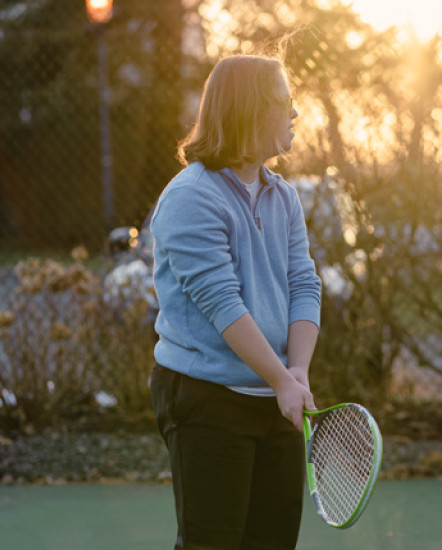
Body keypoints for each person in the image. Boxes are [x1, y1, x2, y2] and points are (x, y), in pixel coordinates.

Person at [148, 53, 322, 550]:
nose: (294, 113)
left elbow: (304, 284)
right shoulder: (190, 197)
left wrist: (297, 373)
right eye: (284, 101)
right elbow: (222, 304)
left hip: (275, 397)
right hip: (206, 397)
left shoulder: (282, 195)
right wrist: (279, 378)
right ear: (251, 109)